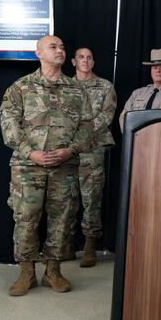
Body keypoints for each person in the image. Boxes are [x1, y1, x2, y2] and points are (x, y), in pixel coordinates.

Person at [0, 35, 93, 296]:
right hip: (27, 167)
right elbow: (9, 125)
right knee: (26, 218)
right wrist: (31, 153)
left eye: (63, 46)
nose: (60, 50)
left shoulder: (78, 90)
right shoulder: (21, 87)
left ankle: (53, 270)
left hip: (65, 166)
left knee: (62, 219)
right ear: (38, 53)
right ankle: (26, 272)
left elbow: (88, 128)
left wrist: (69, 150)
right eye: (53, 46)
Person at [71, 47, 117, 267]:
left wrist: (82, 135)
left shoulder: (105, 86)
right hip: (66, 149)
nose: (85, 60)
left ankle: (90, 244)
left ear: (93, 62)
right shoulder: (65, 85)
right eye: (81, 57)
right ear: (73, 61)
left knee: (92, 197)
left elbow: (106, 116)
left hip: (93, 148)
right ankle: (65, 243)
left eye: (89, 57)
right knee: (65, 197)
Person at [119, 48, 161, 130]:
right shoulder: (137, 93)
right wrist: (131, 134)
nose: (158, 70)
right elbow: (124, 117)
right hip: (136, 139)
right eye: (154, 68)